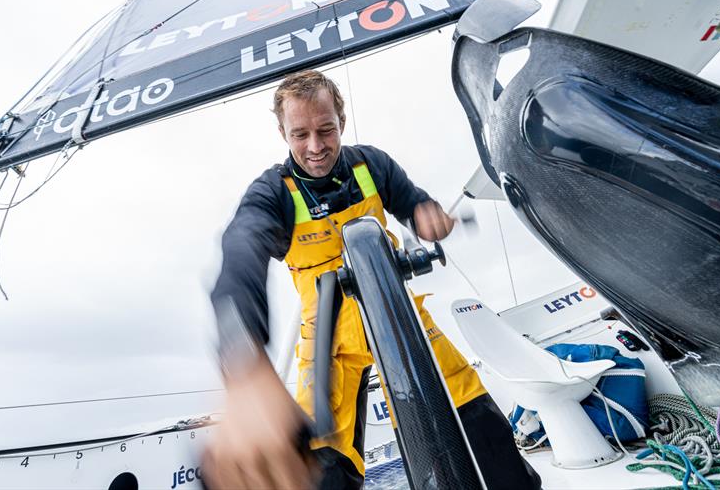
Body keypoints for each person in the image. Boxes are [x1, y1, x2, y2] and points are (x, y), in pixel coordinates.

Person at [203, 70, 540, 490]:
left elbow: (413, 203)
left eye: (326, 129)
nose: (315, 146)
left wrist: (426, 216)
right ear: (282, 132)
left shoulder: (371, 165)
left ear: (341, 120)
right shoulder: (272, 194)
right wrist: (243, 362)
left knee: (480, 427)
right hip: (329, 345)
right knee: (323, 468)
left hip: (402, 324)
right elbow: (240, 252)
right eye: (300, 134)